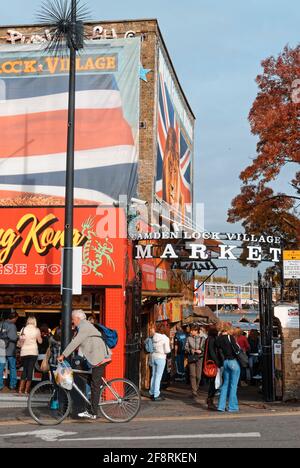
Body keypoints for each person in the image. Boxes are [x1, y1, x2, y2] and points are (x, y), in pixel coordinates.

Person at [58, 310, 111, 420]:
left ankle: (93, 412)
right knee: (78, 371)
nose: (72, 321)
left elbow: (76, 342)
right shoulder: (84, 326)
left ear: (77, 318)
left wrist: (63, 355)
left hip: (99, 357)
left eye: (73, 319)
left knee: (95, 386)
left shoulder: (84, 326)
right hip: (95, 357)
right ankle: (96, 385)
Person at [216, 323, 241, 413]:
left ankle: (221, 406)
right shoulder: (230, 338)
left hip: (225, 362)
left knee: (225, 385)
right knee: (233, 385)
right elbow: (237, 350)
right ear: (228, 329)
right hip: (233, 361)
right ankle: (232, 407)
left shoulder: (218, 339)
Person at [19, 316, 43, 395]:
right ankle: (26, 390)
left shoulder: (23, 329)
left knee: (24, 369)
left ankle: (20, 390)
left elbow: (20, 342)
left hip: (24, 352)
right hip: (33, 352)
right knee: (30, 370)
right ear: (34, 321)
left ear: (28, 321)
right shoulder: (37, 330)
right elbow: (40, 341)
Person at [149, 322, 171, 402]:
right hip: (161, 357)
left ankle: (151, 392)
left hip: (154, 356)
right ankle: (156, 394)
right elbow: (167, 350)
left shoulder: (154, 336)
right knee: (158, 377)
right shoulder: (165, 338)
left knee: (153, 376)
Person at [185, 324, 206, 400]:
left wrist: (201, 351)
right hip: (191, 357)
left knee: (198, 376)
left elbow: (205, 349)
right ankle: (194, 392)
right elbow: (186, 348)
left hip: (199, 358)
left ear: (196, 331)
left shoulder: (203, 338)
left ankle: (196, 389)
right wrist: (191, 350)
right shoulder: (188, 338)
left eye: (192, 330)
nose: (191, 331)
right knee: (192, 375)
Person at [0, 310, 19, 391]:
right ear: (13, 318)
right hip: (10, 350)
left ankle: (0, 385)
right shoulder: (12, 326)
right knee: (12, 368)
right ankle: (12, 385)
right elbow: (14, 337)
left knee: (0, 368)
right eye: (16, 319)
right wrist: (18, 337)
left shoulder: (1, 324)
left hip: (1, 349)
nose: (16, 320)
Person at [205, 326, 222, 411]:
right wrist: (217, 362)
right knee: (214, 383)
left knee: (213, 383)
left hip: (208, 363)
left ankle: (209, 400)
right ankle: (210, 401)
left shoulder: (208, 339)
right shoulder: (213, 339)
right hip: (213, 364)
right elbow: (212, 352)